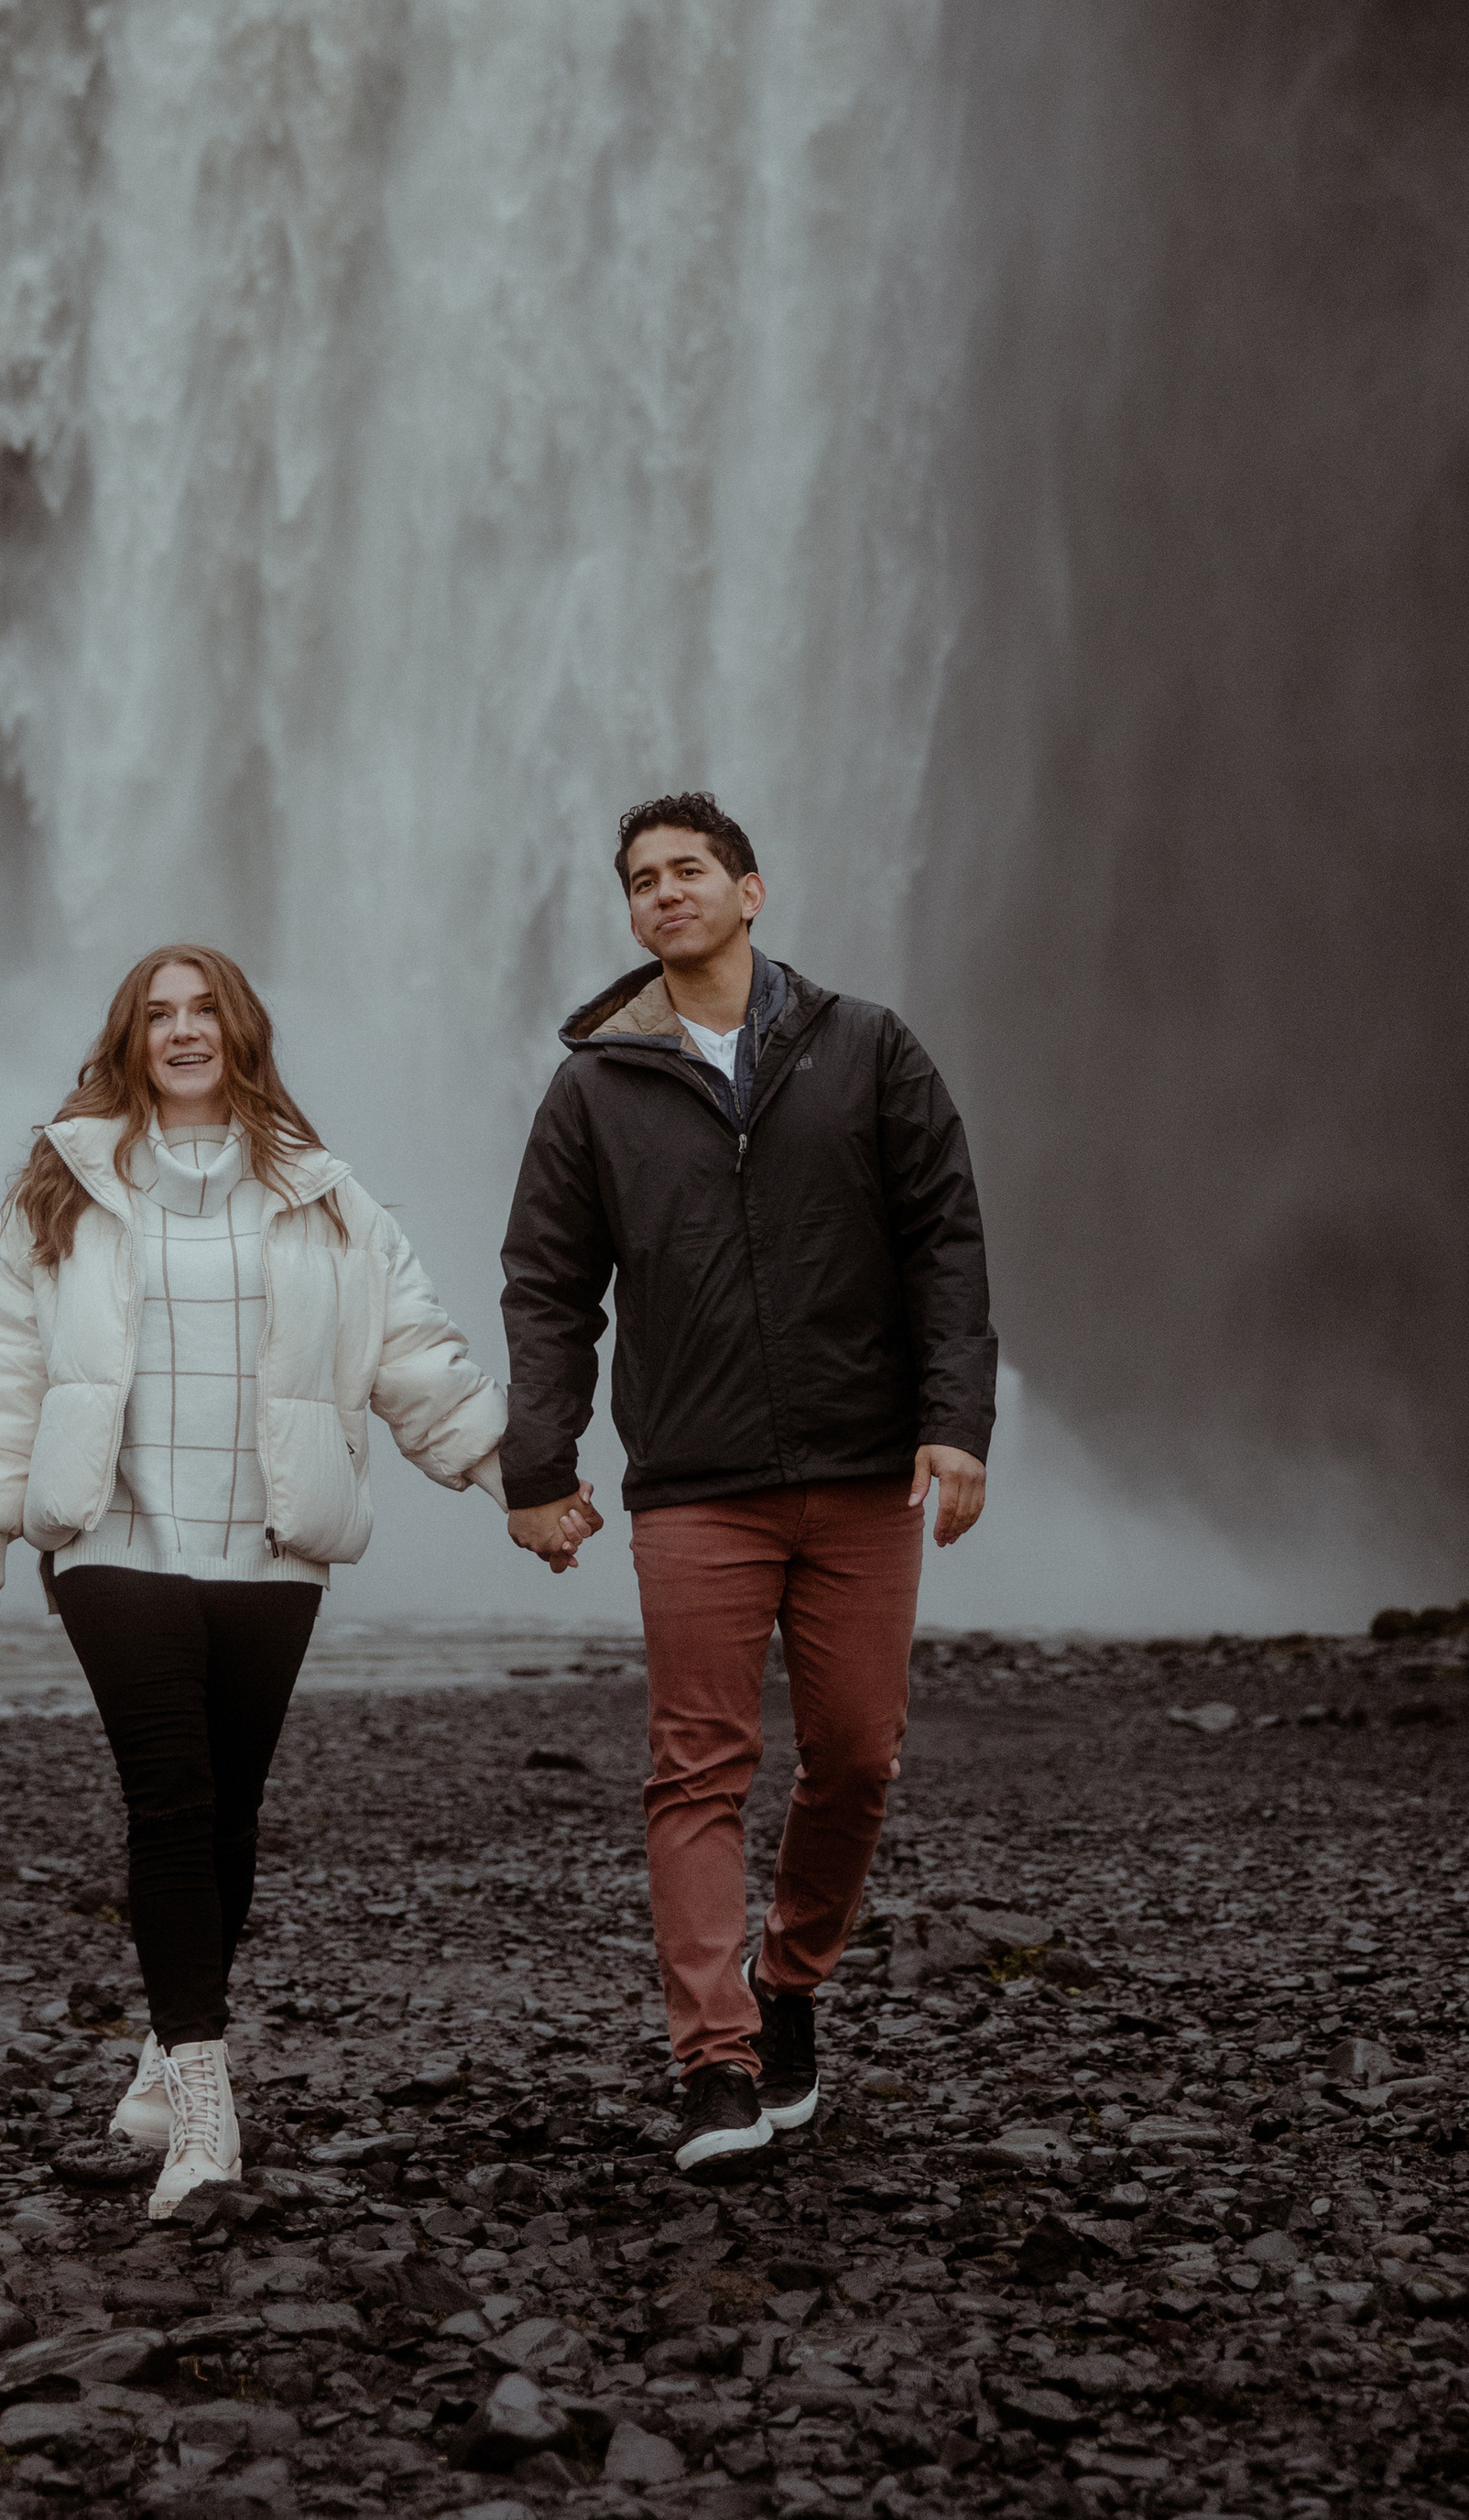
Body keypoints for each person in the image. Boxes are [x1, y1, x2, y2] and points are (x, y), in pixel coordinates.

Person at [0, 944, 516, 2217]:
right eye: (159, 1015)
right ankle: (204, 2098)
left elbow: (411, 1350)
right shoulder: (58, 1191)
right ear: (128, 1039)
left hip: (270, 1544)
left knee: (231, 1810)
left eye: (204, 1012)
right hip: (111, 1537)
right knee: (173, 1800)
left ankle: (161, 2040)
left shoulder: (329, 1197)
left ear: (239, 1032)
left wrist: (509, 1479)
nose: (183, 1032)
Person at [496, 793, 996, 2174]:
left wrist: (956, 1421)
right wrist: (540, 1468)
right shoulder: (595, 1087)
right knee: (697, 1769)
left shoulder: (866, 1049)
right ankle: (713, 2061)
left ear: (751, 890)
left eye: (691, 871)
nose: (667, 893)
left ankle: (791, 1978)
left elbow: (944, 1236)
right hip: (697, 1482)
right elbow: (548, 1289)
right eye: (644, 879)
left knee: (855, 1755)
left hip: (859, 1469)